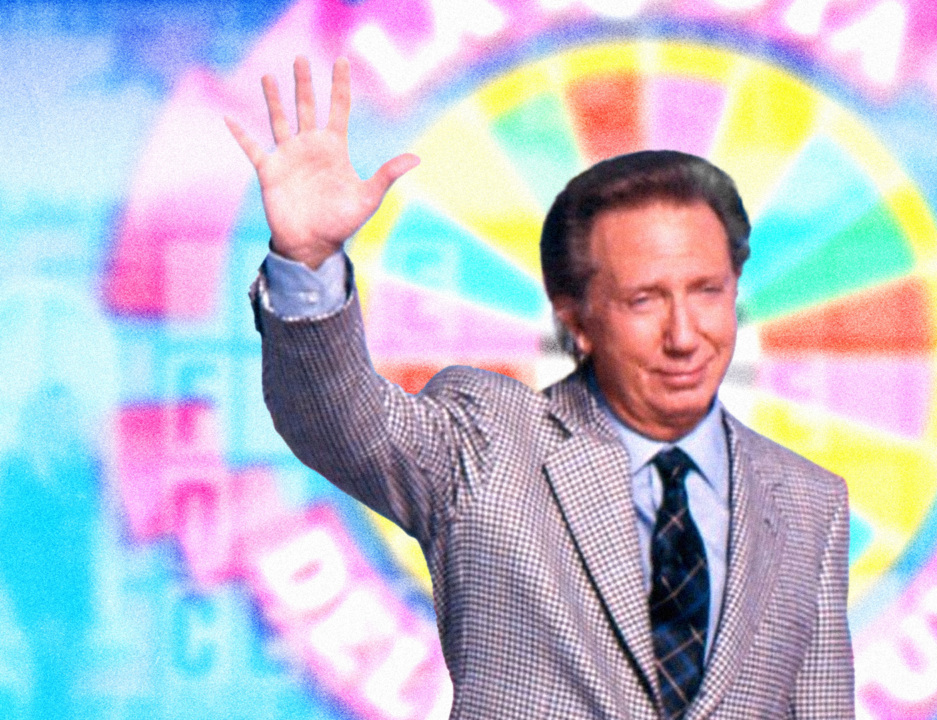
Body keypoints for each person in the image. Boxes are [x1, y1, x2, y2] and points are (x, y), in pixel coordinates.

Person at [228, 56, 853, 719]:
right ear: (574, 318)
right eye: (644, 300)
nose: (684, 334)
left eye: (707, 291)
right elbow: (340, 422)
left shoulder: (809, 502)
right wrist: (308, 262)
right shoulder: (486, 443)